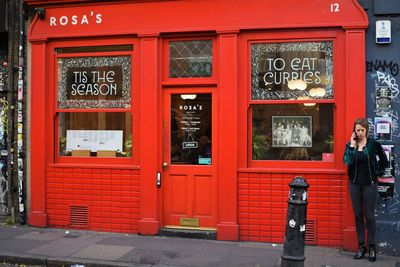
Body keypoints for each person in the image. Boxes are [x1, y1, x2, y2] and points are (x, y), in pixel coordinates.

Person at [343, 118, 388, 262]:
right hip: (355, 185)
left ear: (367, 130)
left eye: (362, 130)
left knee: (369, 216)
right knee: (357, 215)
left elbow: (384, 160)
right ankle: (361, 246)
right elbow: (346, 161)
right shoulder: (351, 145)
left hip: (370, 185)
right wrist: (351, 145)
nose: (360, 133)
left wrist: (378, 173)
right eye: (358, 130)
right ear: (354, 131)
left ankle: (372, 247)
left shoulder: (373, 144)